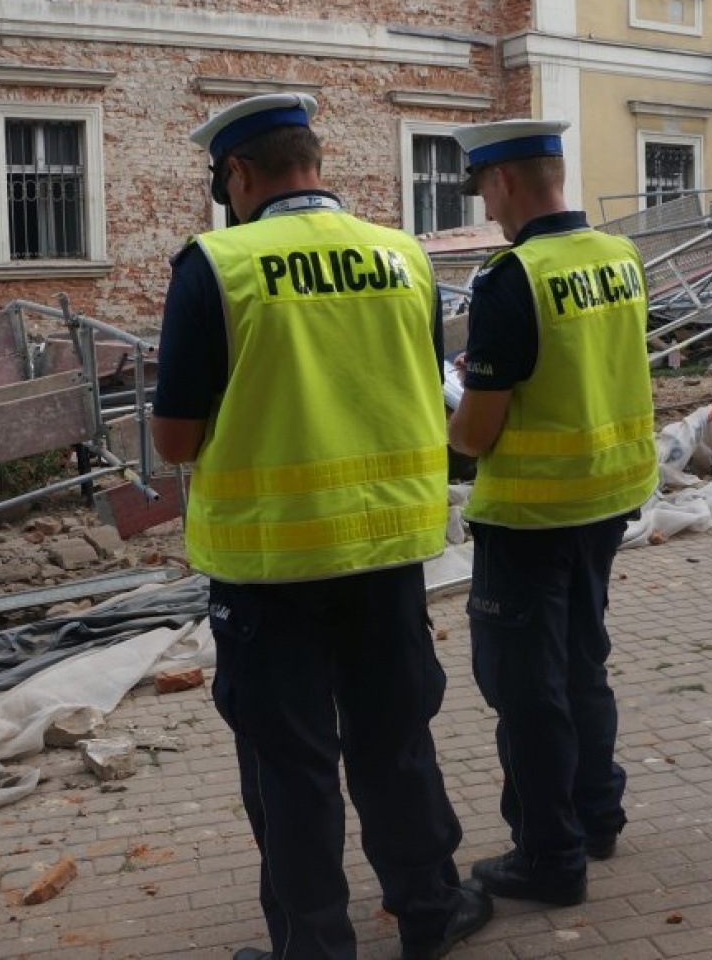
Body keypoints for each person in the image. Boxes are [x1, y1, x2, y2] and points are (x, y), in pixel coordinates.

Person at [150, 93, 492, 960]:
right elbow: (420, 384)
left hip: (268, 567)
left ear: (238, 173)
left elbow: (176, 440)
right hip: (385, 551)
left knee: (290, 766)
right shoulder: (403, 255)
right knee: (396, 742)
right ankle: (430, 911)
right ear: (313, 161)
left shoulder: (217, 265)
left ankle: (314, 946)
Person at [446, 118, 658, 907]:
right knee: (580, 666)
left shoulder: (512, 278)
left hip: (529, 517)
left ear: (503, 182)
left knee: (526, 691)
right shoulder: (619, 256)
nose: (486, 208)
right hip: (605, 499)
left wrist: (454, 408)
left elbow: (478, 433)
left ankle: (549, 857)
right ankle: (597, 816)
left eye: (484, 190)